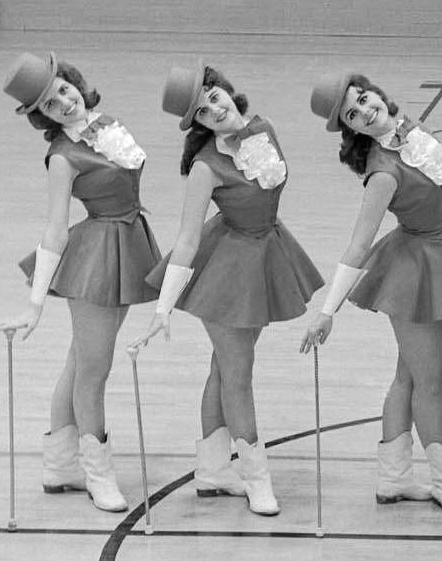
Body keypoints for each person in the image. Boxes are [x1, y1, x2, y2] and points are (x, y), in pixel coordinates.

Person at [303, 71, 442, 519]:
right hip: (415, 269)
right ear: (350, 128)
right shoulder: (383, 174)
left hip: (438, 251)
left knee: (409, 376)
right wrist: (327, 310)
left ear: (376, 92)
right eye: (353, 113)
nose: (365, 110)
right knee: (430, 382)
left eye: (364, 98)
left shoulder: (404, 132)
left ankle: (393, 478)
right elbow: (357, 244)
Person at [134, 64, 324, 517]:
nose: (214, 109)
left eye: (214, 96)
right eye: (202, 111)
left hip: (266, 254)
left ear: (226, 91)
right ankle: (257, 477)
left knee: (223, 370)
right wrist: (162, 309)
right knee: (238, 375)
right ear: (197, 124)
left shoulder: (264, 129)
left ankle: (213, 470)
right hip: (227, 271)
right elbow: (186, 239)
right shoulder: (205, 166)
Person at [0, 52, 160, 513]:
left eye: (63, 90)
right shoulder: (61, 158)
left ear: (75, 83)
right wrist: (35, 304)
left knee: (80, 360)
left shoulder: (106, 124)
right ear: (42, 117)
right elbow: (54, 230)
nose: (63, 102)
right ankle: (97, 471)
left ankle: (59, 464)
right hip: (98, 259)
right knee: (94, 369)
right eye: (50, 104)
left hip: (128, 243)